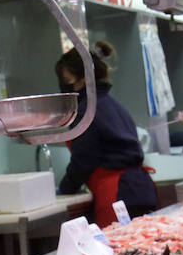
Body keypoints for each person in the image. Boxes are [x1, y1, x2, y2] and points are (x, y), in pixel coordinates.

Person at [55, 41, 158, 226]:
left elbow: (84, 159)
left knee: (117, 251)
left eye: (68, 80)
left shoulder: (86, 112)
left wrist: (63, 190)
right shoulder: (113, 104)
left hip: (117, 194)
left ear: (84, 78)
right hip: (142, 189)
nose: (66, 86)